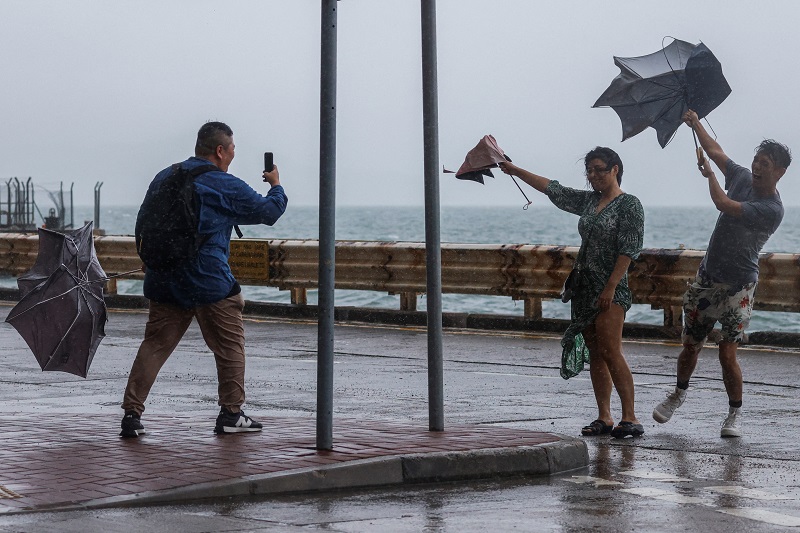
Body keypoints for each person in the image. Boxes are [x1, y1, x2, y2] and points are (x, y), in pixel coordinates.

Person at [120, 121, 288, 437]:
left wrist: (151, 260)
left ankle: (131, 415)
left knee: (154, 345)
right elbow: (269, 212)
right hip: (208, 279)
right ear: (221, 151)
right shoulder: (223, 183)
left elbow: (144, 223)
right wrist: (275, 184)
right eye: (233, 149)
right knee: (229, 345)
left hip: (164, 277)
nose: (234, 155)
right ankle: (231, 414)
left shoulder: (164, 177)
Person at [653, 110, 791, 438]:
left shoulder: (772, 209)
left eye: (766, 164)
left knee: (727, 354)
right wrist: (695, 122)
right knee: (690, 345)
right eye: (757, 160)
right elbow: (716, 151)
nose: (757, 167)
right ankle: (679, 394)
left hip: (738, 287)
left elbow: (725, 205)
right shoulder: (742, 176)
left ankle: (734, 413)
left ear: (780, 172)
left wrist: (708, 176)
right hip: (707, 278)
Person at [500, 147, 645, 439]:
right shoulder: (590, 201)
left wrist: (611, 286)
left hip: (611, 288)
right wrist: (515, 170)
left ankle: (630, 417)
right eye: (589, 171)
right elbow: (554, 190)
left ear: (615, 169)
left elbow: (628, 250)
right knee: (595, 352)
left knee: (611, 350)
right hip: (584, 286)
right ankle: (604, 416)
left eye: (599, 170)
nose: (593, 176)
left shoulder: (630, 205)